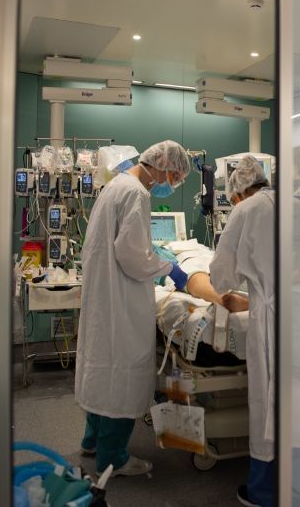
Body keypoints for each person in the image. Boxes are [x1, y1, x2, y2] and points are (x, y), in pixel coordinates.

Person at [75, 140, 192, 476]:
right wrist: (169, 268)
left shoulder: (116, 186)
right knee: (121, 372)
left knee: (103, 366)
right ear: (162, 165)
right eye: (174, 177)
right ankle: (113, 458)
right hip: (121, 298)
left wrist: (152, 255)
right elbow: (132, 255)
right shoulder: (136, 193)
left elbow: (123, 245)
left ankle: (93, 439)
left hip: (104, 295)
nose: (171, 184)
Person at [209, 155, 276, 507]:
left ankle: (263, 491)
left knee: (267, 402)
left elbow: (221, 278)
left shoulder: (246, 211)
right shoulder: (296, 205)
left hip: (270, 321)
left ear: (237, 192)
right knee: (299, 400)